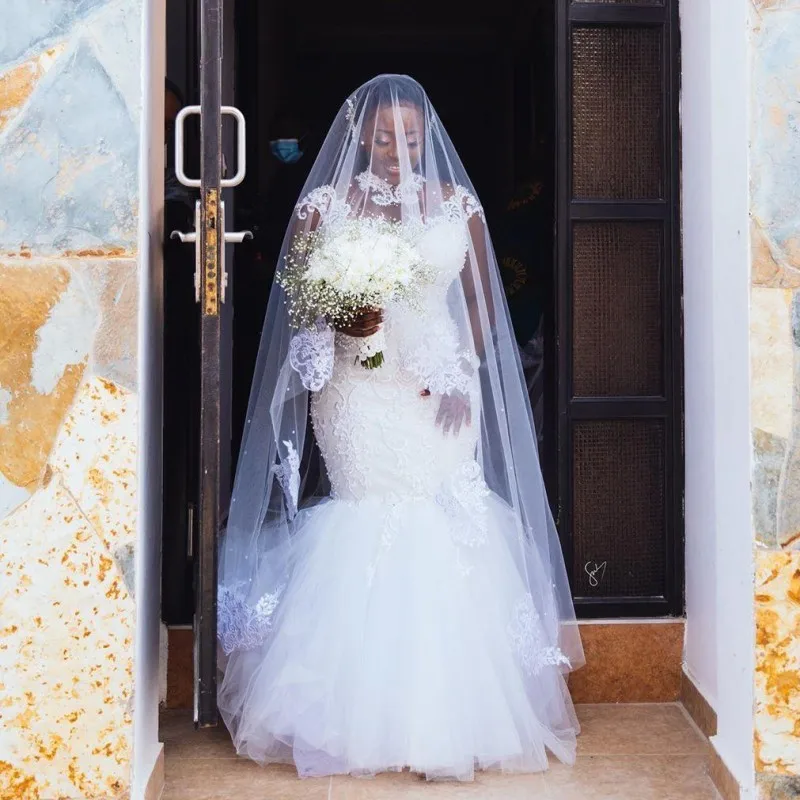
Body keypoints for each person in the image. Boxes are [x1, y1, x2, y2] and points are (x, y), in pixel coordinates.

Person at [217, 75, 583, 781]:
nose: (396, 151)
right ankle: (354, 715)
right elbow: (297, 297)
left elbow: (483, 301)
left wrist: (458, 370)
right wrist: (335, 321)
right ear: (359, 138)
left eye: (409, 139)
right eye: (383, 138)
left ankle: (448, 717)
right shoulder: (325, 206)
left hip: (434, 386)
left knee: (444, 521)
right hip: (356, 390)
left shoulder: (458, 205)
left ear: (427, 139)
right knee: (367, 517)